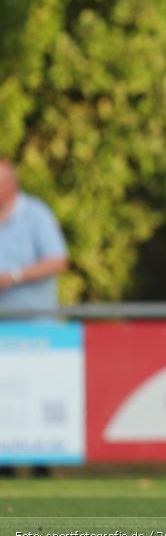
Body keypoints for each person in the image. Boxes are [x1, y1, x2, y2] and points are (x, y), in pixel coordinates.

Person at [0, 160, 69, 478]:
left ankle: (43, 467)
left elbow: (58, 260)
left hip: (37, 329)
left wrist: (13, 276)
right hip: (2, 330)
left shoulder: (36, 214)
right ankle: (6, 466)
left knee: (38, 399)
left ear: (12, 184)